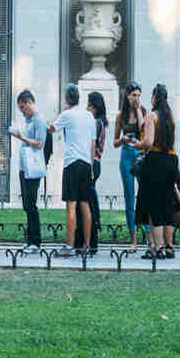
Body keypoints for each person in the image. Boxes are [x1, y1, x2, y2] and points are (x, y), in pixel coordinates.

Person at [127, 84, 180, 260]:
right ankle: (169, 246)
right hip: (171, 160)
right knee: (167, 203)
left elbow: (148, 142)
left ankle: (156, 248)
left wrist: (136, 144)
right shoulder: (170, 118)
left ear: (155, 97)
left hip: (155, 160)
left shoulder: (152, 116)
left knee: (154, 205)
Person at [49, 84, 95, 258]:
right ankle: (87, 245)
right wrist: (91, 167)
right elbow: (92, 143)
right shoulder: (89, 116)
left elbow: (52, 128)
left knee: (71, 206)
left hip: (72, 163)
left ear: (67, 99)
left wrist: (61, 114)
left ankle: (69, 246)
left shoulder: (67, 115)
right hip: (85, 164)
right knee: (85, 205)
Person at [10, 90, 46, 254]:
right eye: (21, 109)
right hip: (24, 167)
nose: (23, 111)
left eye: (24, 108)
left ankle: (35, 241)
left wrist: (21, 137)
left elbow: (40, 143)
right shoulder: (28, 120)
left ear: (30, 103)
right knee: (26, 204)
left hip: (33, 168)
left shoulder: (38, 119)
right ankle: (30, 238)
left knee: (31, 204)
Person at [114, 82, 146, 250]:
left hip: (140, 156)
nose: (136, 98)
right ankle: (133, 240)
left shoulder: (144, 112)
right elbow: (114, 143)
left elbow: (143, 130)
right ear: (127, 96)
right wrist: (123, 139)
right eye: (134, 95)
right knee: (129, 198)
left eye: (139, 95)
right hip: (126, 155)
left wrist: (139, 109)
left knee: (145, 196)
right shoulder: (121, 116)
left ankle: (149, 237)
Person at [77, 91, 106, 254]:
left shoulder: (95, 123)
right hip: (95, 163)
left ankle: (90, 241)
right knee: (89, 202)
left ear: (95, 107)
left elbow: (90, 145)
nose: (86, 108)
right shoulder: (101, 122)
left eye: (89, 105)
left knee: (87, 204)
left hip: (91, 163)